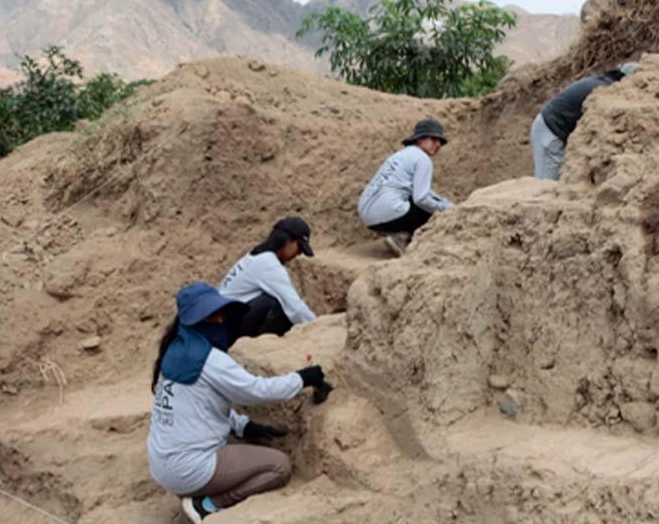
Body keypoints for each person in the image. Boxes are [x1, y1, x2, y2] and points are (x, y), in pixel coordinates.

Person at [147, 282, 328, 523]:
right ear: (195, 320)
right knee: (279, 466)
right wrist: (302, 378)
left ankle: (203, 491)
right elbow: (256, 391)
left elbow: (200, 406)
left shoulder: (176, 349)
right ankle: (207, 505)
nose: (221, 320)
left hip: (164, 463)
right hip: (188, 469)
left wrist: (243, 425)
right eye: (212, 316)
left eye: (220, 313)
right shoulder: (210, 360)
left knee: (249, 443)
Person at [358, 118, 453, 257]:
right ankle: (407, 243)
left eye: (440, 141)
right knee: (432, 213)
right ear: (420, 139)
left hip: (368, 217)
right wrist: (448, 210)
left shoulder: (399, 156)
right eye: (433, 139)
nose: (438, 144)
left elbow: (422, 193)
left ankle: (399, 236)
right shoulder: (422, 158)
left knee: (415, 200)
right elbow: (421, 198)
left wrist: (445, 202)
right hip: (389, 212)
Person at [530, 62, 638, 181]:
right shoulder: (604, 91)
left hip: (554, 128)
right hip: (550, 130)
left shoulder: (602, 81)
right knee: (545, 185)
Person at [219, 217, 316, 340]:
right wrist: (316, 327)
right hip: (227, 329)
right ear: (287, 241)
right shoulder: (268, 263)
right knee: (278, 304)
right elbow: (295, 307)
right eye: (299, 247)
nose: (299, 253)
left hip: (223, 323)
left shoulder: (257, 255)